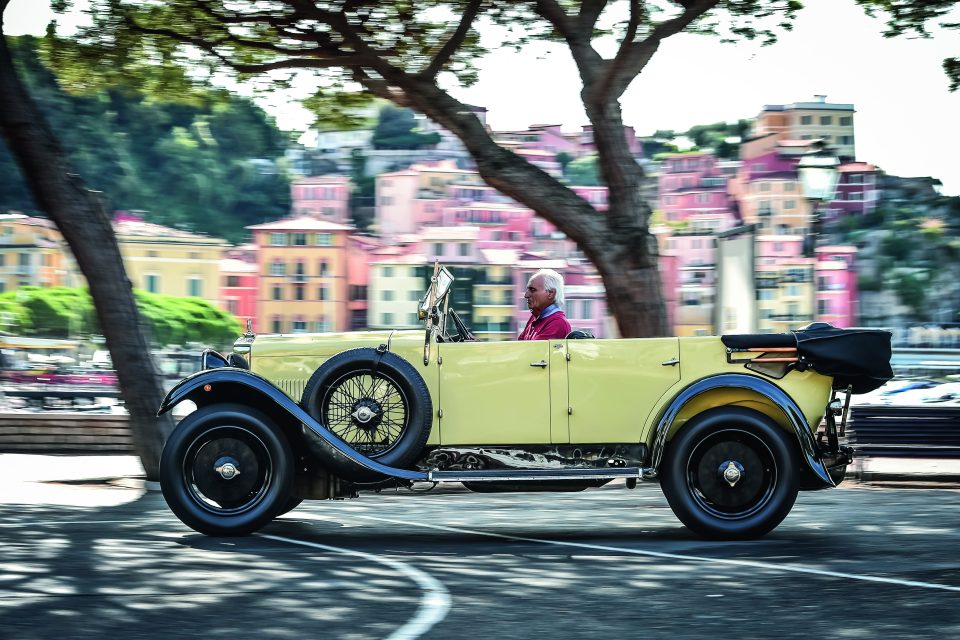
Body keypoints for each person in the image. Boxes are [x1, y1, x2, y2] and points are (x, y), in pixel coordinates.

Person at [518, 269, 572, 341]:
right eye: (527, 290)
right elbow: (519, 345)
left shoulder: (557, 323)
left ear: (550, 293)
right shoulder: (535, 317)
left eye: (532, 290)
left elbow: (531, 348)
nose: (526, 295)